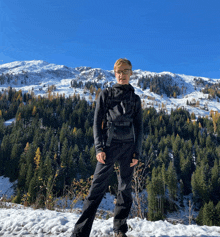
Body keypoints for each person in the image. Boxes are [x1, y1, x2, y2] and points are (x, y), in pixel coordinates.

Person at [71, 58, 143, 237]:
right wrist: (99, 148)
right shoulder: (106, 94)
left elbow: (140, 128)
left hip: (128, 149)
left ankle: (120, 230)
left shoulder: (135, 99)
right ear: (115, 73)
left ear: (131, 73)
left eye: (126, 71)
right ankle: (80, 233)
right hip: (108, 147)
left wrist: (137, 152)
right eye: (119, 72)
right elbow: (96, 123)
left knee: (125, 190)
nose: (122, 75)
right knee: (96, 190)